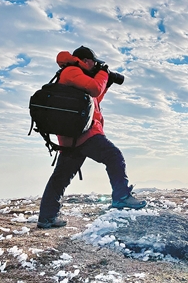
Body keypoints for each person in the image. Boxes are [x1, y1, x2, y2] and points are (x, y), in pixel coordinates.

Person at [37, 46, 146, 229]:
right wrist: (103, 73)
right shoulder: (71, 71)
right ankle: (121, 197)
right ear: (86, 61)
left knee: (60, 178)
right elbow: (94, 89)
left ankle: (47, 218)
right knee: (114, 156)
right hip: (85, 135)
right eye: (94, 63)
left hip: (72, 138)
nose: (96, 66)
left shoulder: (72, 75)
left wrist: (107, 82)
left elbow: (91, 101)